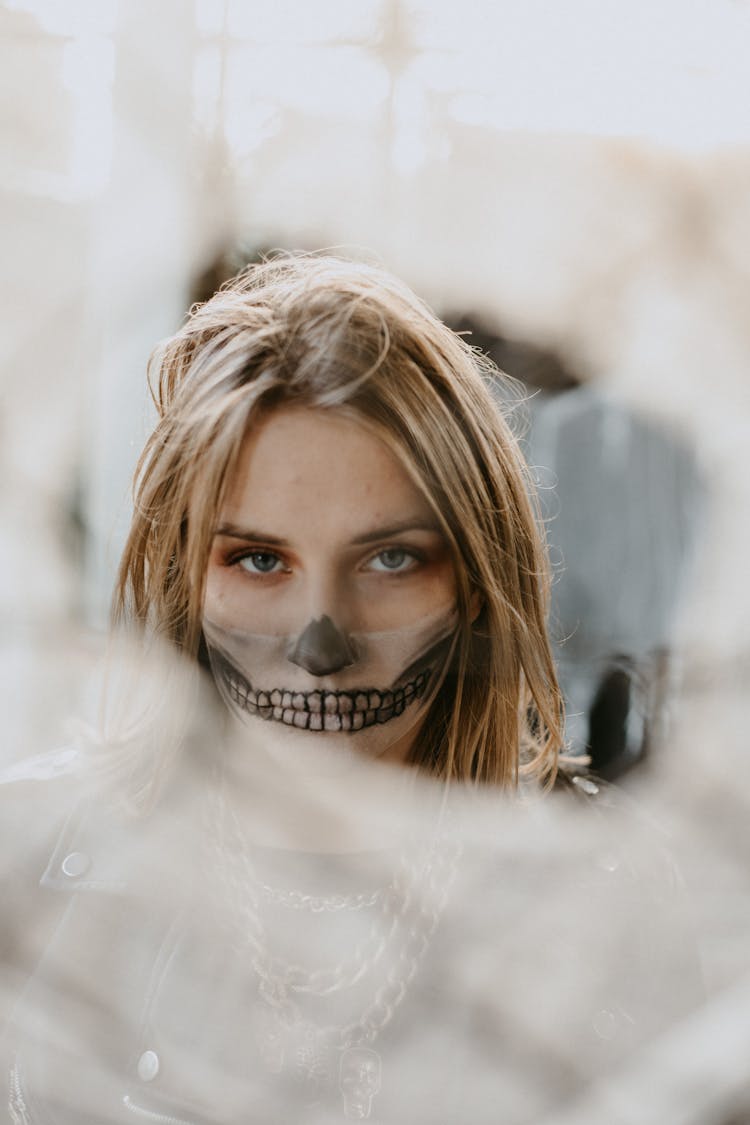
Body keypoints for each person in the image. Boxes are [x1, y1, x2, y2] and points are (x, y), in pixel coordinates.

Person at [1, 254, 689, 1124]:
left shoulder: (606, 905)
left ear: (477, 582)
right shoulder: (34, 865)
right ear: (184, 576)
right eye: (257, 558)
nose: (318, 641)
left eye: (390, 559)